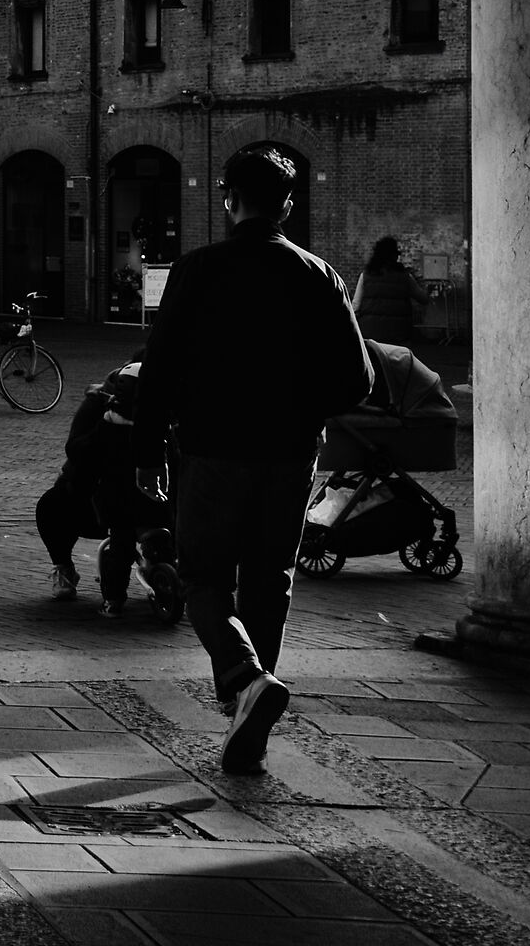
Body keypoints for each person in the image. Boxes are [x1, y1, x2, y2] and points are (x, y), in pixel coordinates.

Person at [134, 144, 375, 774]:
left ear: (227, 200)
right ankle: (253, 726)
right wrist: (301, 409)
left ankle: (244, 679)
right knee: (271, 580)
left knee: (202, 576)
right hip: (289, 455)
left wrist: (146, 450)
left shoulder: (196, 270)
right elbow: (359, 379)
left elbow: (156, 374)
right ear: (288, 207)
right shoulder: (318, 274)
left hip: (211, 451)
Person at [38, 360, 166, 617]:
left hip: (145, 497)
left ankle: (142, 582)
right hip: (107, 496)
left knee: (141, 535)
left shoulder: (161, 412)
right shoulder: (102, 413)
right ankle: (74, 572)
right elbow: (79, 456)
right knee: (119, 539)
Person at [351, 236, 427, 348]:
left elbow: (356, 306)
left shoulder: (366, 275)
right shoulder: (405, 277)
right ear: (395, 256)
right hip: (399, 334)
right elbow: (423, 299)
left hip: (370, 333)